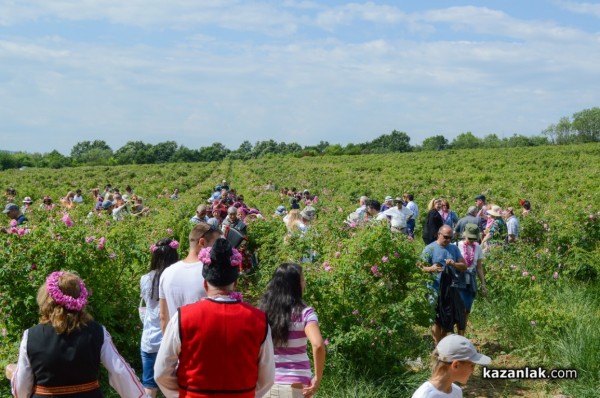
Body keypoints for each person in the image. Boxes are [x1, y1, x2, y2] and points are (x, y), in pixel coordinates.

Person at [154, 239, 275, 397]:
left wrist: (182, 393)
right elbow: (267, 377)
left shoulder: (183, 317)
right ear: (236, 283)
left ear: (205, 283)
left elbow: (161, 372)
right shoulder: (259, 320)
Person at [8, 271, 146, 398]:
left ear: (46, 299)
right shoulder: (97, 332)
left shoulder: (31, 336)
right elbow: (120, 372)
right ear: (81, 298)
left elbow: (21, 389)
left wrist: (13, 373)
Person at [259, 263, 325, 398]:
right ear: (296, 285)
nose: (304, 284)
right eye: (302, 280)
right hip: (295, 388)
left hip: (266, 386)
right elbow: (318, 345)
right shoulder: (305, 313)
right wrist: (317, 379)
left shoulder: (262, 313)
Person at [158, 223, 221, 332]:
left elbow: (163, 318)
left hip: (178, 342)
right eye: (216, 243)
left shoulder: (167, 273)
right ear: (202, 242)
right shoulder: (211, 273)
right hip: (202, 342)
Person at [140, 238, 179, 398]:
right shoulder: (175, 278)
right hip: (173, 338)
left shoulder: (145, 279)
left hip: (150, 339)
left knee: (149, 384)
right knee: (177, 386)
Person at [420, 225, 467, 344]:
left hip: (450, 289)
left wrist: (454, 264)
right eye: (445, 237)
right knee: (435, 318)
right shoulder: (429, 249)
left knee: (446, 317)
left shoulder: (454, 249)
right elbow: (419, 267)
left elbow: (464, 266)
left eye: (450, 238)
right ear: (438, 234)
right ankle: (437, 345)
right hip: (434, 288)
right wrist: (431, 268)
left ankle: (443, 344)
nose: (448, 240)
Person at [411, 334, 491, 398]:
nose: (473, 370)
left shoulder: (457, 391)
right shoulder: (425, 395)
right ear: (456, 365)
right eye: (472, 366)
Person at [456, 224, 487, 334]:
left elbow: (479, 267)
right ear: (465, 236)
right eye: (470, 238)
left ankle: (461, 334)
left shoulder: (478, 247)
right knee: (458, 309)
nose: (471, 241)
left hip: (470, 282)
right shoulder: (456, 246)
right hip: (458, 281)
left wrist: (483, 284)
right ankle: (455, 334)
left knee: (467, 309)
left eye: (474, 238)